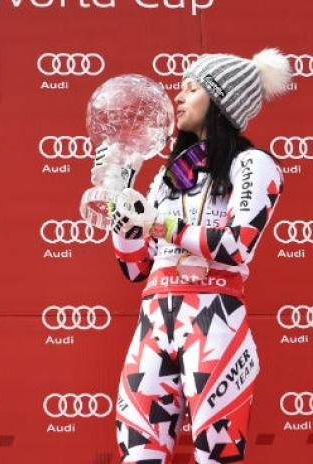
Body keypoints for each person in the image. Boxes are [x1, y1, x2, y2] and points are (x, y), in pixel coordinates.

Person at [94, 49, 291, 463]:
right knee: (137, 454)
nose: (178, 97)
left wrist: (161, 224)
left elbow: (236, 245)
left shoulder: (253, 163)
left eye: (192, 88)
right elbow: (135, 266)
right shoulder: (169, 177)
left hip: (214, 319)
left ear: (221, 100)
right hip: (153, 321)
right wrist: (120, 206)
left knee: (216, 456)